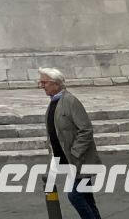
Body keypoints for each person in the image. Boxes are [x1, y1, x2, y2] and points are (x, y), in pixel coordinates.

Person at [38, 68, 102, 219]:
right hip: (68, 160)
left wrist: (75, 152)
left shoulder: (70, 101)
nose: (41, 86)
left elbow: (85, 129)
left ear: (56, 83)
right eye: (40, 82)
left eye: (44, 82)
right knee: (86, 197)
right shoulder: (54, 102)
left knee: (75, 195)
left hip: (79, 160)